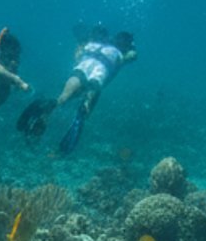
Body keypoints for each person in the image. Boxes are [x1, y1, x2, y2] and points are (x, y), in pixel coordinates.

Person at [17, 25, 136, 155]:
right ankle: (66, 142)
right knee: (85, 108)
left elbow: (77, 56)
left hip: (82, 67)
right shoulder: (118, 53)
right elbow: (132, 56)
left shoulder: (91, 44)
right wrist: (130, 49)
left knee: (62, 98)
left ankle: (42, 110)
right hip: (99, 73)